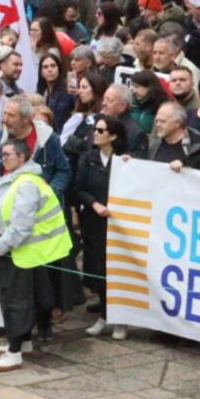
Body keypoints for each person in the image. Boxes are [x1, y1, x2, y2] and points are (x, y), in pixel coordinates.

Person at [0, 135, 71, 373]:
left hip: (17, 250)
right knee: (19, 300)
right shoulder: (21, 180)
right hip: (20, 250)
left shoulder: (26, 184)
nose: (2, 159)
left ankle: (15, 352)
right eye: (1, 155)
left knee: (16, 302)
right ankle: (22, 342)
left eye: (7, 155)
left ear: (22, 157)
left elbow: (21, 226)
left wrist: (0, 246)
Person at [77, 114, 129, 339]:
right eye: (95, 130)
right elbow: (78, 188)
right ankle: (104, 316)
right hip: (94, 221)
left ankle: (120, 320)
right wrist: (94, 204)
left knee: (118, 269)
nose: (95, 134)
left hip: (119, 224)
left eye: (100, 130)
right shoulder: (88, 158)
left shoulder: (125, 160)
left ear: (113, 136)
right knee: (99, 269)